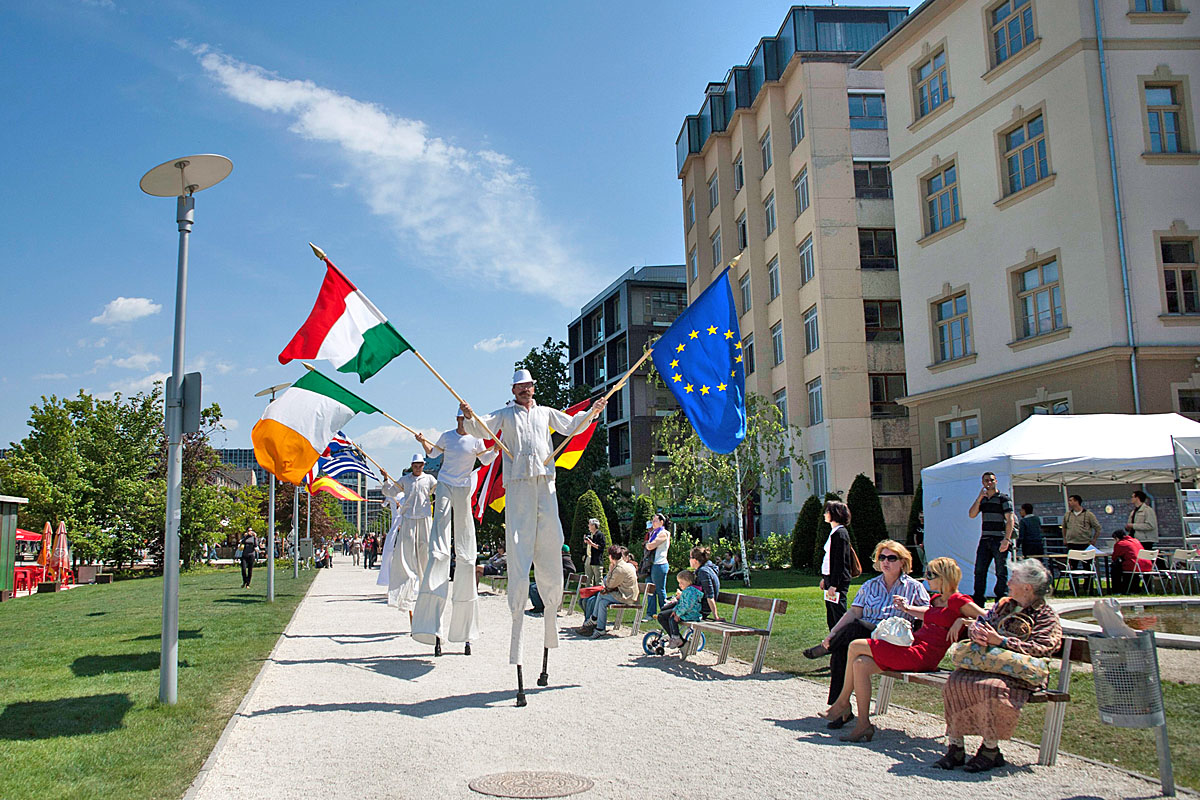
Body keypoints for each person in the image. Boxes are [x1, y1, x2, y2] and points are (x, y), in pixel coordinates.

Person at [461, 369, 605, 703]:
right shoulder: (506, 414)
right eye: (521, 387)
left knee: (551, 541)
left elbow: (572, 425)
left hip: (545, 482)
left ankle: (551, 608)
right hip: (518, 486)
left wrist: (593, 412)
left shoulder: (544, 413)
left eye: (530, 386)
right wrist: (468, 417)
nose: (526, 390)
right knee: (519, 545)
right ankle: (518, 620)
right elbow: (481, 427)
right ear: (513, 389)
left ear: (533, 388)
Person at [820, 557, 983, 742]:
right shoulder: (937, 599)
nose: (926, 577)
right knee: (861, 663)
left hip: (924, 656)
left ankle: (842, 702)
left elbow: (989, 618)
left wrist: (963, 621)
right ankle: (863, 725)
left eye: (930, 574)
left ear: (944, 577)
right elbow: (922, 613)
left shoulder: (958, 601)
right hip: (913, 647)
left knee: (856, 645)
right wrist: (905, 607)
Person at [935, 558, 1062, 773]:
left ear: (1027, 587)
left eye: (1013, 579)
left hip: (1018, 674)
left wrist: (1002, 642)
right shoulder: (1005, 605)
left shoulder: (1046, 616)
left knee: (992, 687)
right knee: (955, 681)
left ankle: (990, 750)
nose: (1008, 582)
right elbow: (983, 622)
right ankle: (956, 747)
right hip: (988, 665)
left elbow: (1043, 648)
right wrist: (978, 632)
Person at [803, 540, 929, 722]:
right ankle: (841, 709)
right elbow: (854, 612)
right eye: (882, 557)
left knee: (857, 626)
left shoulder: (913, 587)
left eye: (891, 558)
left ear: (902, 562)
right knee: (841, 651)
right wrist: (832, 634)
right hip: (866, 638)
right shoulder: (870, 585)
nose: (885, 562)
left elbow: (929, 613)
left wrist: (907, 608)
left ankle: (827, 651)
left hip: (891, 639)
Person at [411, 410, 498, 655]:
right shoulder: (447, 437)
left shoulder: (477, 440)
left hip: (464, 488)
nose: (464, 423)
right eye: (462, 420)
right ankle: (439, 549)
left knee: (466, 545)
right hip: (446, 483)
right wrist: (422, 441)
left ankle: (464, 632)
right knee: (440, 532)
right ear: (457, 420)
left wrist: (497, 449)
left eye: (467, 420)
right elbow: (432, 453)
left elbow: (487, 459)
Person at [381, 453, 437, 618]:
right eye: (415, 465)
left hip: (424, 518)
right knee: (406, 553)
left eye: (420, 465)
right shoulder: (405, 480)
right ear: (412, 466)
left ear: (423, 466)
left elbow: (439, 490)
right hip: (409, 520)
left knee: (425, 552)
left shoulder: (430, 479)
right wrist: (385, 479)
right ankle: (405, 590)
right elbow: (390, 491)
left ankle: (428, 589)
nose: (417, 468)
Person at [968, 471, 1014, 606]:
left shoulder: (1003, 498)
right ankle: (978, 600)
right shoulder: (983, 500)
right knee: (979, 570)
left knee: (1001, 570)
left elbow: (1010, 518)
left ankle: (1001, 599)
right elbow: (971, 514)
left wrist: (1007, 539)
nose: (989, 483)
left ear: (996, 481)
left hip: (999, 538)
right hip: (985, 538)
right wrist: (979, 498)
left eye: (991, 480)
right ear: (983, 483)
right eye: (986, 480)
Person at [578, 545, 637, 638]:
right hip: (625, 594)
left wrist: (610, 570)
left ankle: (593, 619)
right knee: (602, 602)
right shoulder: (621, 565)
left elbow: (609, 585)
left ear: (611, 556)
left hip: (627, 597)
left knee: (601, 595)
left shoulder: (619, 569)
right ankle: (600, 629)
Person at [818, 501, 854, 632]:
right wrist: (825, 578)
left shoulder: (840, 533)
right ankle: (833, 641)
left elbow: (840, 561)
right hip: (830, 578)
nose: (825, 514)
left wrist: (834, 584)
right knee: (831, 614)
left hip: (836, 581)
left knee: (838, 614)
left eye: (827, 512)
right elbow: (830, 559)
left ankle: (842, 642)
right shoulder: (834, 532)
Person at [1063, 494, 1102, 593]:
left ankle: (1088, 587)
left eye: (1071, 500)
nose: (1069, 502)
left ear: (1077, 501)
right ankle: (1073, 588)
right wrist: (1065, 538)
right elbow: (1064, 527)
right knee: (1072, 567)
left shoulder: (1088, 515)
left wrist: (1094, 539)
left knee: (1087, 567)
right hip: (1072, 544)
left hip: (1085, 543)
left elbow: (1097, 527)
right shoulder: (1068, 515)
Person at [657, 570, 705, 648]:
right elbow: (680, 603)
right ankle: (676, 638)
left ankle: (676, 638)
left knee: (672, 619)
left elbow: (687, 606)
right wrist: (675, 610)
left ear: (688, 582)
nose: (679, 585)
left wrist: (678, 614)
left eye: (681, 583)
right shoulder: (687, 591)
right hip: (687, 612)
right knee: (670, 617)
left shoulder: (690, 592)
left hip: (692, 614)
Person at [529, 544, 577, 614]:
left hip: (557, 583)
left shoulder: (565, 559)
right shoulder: (560, 558)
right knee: (532, 586)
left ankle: (540, 607)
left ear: (562, 551)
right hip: (552, 581)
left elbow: (572, 570)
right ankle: (539, 606)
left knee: (534, 588)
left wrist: (557, 573)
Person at [644, 513, 671, 616]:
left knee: (660, 589)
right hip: (651, 564)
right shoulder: (653, 533)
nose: (653, 523)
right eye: (652, 521)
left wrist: (647, 544)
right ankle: (650, 613)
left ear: (661, 522)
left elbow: (651, 546)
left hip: (660, 564)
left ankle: (664, 612)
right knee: (650, 590)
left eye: (655, 521)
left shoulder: (664, 533)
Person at [690, 546, 721, 620]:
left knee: (665, 615)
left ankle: (674, 632)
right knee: (668, 610)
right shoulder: (705, 569)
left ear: (694, 560)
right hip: (698, 606)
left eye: (690, 557)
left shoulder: (703, 572)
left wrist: (716, 616)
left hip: (701, 610)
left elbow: (710, 595)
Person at [582, 518, 607, 587]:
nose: (588, 526)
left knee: (598, 580)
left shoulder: (600, 535)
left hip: (596, 559)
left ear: (593, 525)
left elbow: (601, 547)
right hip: (588, 558)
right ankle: (588, 596)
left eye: (589, 524)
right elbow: (587, 547)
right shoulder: (590, 535)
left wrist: (591, 543)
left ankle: (600, 596)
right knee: (587, 579)